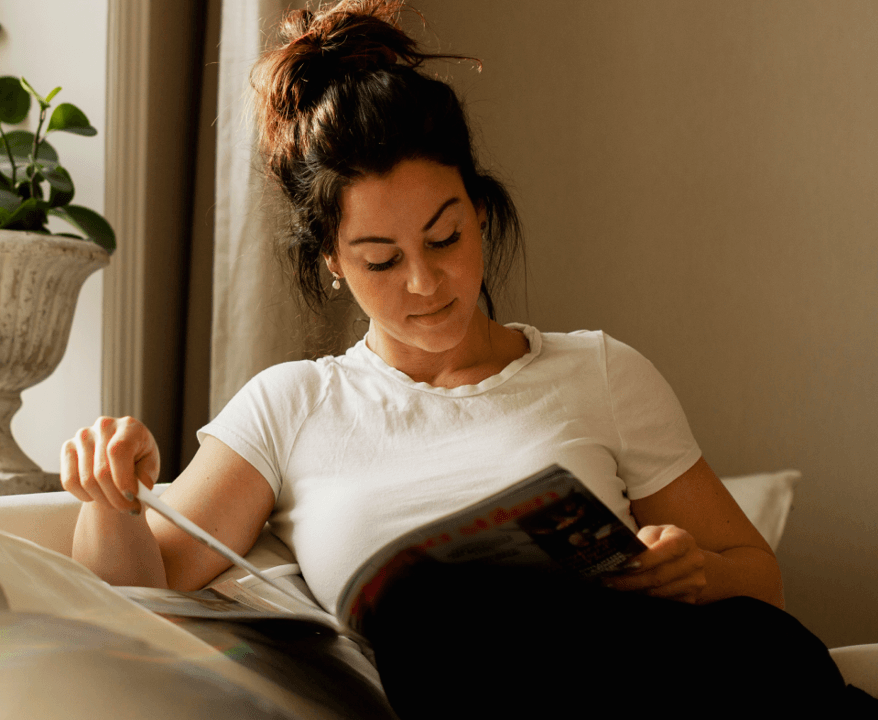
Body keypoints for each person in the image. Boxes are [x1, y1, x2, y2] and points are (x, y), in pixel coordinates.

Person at [59, 1, 877, 715]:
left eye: (445, 237)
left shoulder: (600, 370)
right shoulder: (291, 406)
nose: (425, 282)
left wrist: (692, 572)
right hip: (479, 693)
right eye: (382, 259)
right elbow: (134, 599)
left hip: (698, 678)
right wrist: (110, 494)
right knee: (435, 629)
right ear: (332, 261)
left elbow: (757, 579)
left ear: (480, 212)